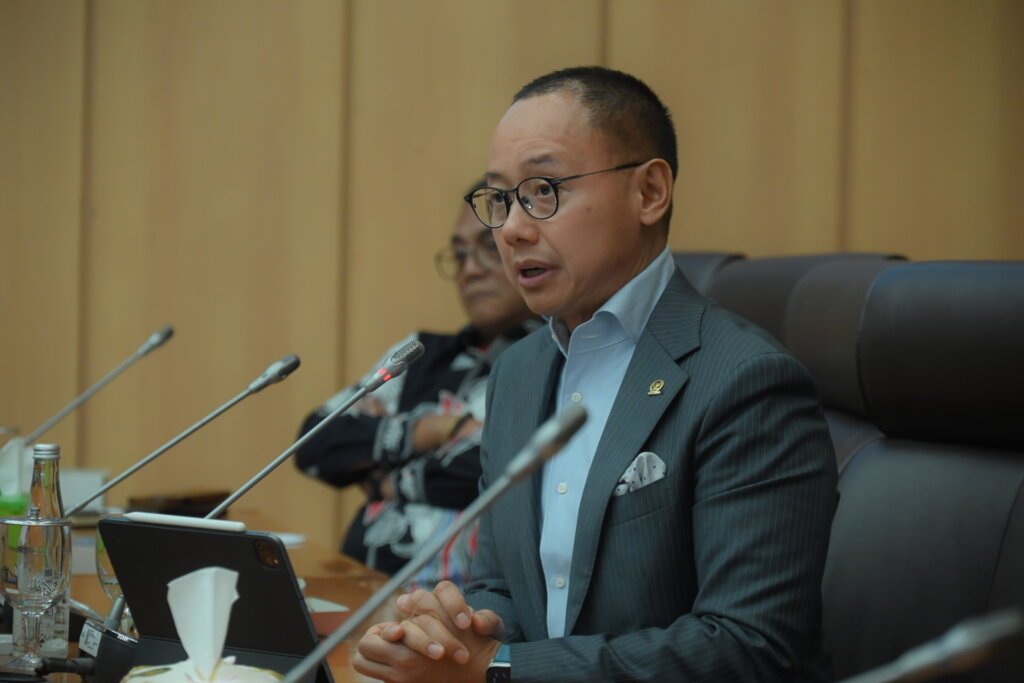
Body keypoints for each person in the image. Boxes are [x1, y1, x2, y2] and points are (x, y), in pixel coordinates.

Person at [353, 67, 839, 683]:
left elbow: (750, 646)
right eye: (500, 200)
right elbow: (502, 587)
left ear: (650, 192)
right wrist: (452, 640)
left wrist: (498, 670)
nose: (512, 229)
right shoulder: (518, 373)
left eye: (544, 190)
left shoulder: (746, 381)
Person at [295, 189, 536, 587]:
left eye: (487, 249)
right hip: (358, 582)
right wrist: (434, 430)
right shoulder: (420, 353)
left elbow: (505, 470)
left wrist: (385, 478)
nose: (469, 270)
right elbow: (316, 441)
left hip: (456, 603)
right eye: (459, 255)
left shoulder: (549, 360)